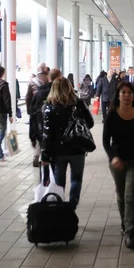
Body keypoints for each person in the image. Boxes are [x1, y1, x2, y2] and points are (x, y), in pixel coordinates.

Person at [103, 82, 134, 250]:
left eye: (130, 92)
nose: (127, 95)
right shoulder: (112, 116)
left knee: (131, 196)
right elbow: (105, 141)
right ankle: (124, 223)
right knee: (121, 196)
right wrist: (113, 157)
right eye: (123, 92)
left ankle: (130, 232)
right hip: (118, 161)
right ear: (119, 95)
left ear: (133, 96)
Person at [41, 77, 94, 209]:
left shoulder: (49, 106)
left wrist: (45, 155)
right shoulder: (79, 103)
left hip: (58, 152)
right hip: (78, 149)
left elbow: (47, 134)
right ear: (69, 87)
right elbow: (90, 123)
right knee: (76, 179)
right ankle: (72, 206)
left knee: (59, 183)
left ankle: (60, 208)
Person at [28, 65, 50, 166]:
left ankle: (37, 155)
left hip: (36, 113)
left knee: (38, 135)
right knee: (45, 135)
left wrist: (30, 111)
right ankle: (44, 156)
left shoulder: (32, 83)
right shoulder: (50, 86)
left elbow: (28, 97)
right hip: (47, 114)